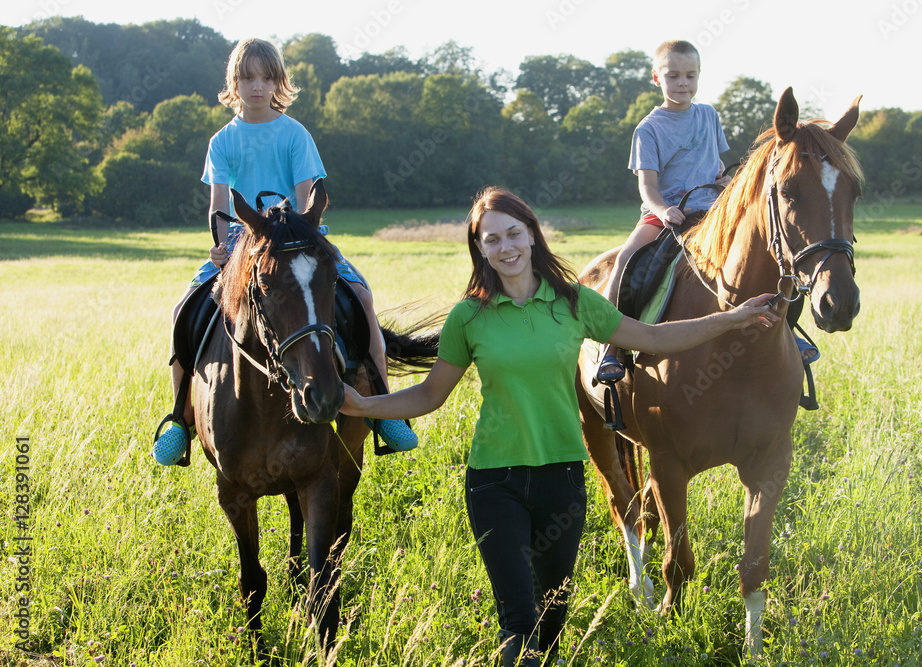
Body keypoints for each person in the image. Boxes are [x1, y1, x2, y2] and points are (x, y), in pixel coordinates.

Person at [338, 186, 777, 666]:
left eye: (513, 234)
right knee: (518, 623)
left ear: (531, 235)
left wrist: (731, 319)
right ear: (479, 249)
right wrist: (361, 406)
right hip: (494, 483)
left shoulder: (574, 304)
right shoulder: (470, 317)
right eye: (491, 240)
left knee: (550, 624)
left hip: (562, 483)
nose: (505, 248)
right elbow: (428, 394)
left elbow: (652, 337)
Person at [152, 38, 416, 466]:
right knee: (184, 308)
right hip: (243, 242)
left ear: (278, 82)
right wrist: (220, 247)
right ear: (233, 82)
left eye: (265, 77)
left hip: (297, 238)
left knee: (361, 296)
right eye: (247, 77)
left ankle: (383, 410)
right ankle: (181, 420)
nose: (256, 86)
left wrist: (288, 234)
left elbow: (304, 199)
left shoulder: (295, 134)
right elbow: (220, 204)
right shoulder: (222, 141)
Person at [596, 39, 818, 384]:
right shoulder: (648, 129)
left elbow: (713, 165)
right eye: (673, 76)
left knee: (770, 251)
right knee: (626, 259)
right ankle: (613, 345)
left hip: (715, 210)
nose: (682, 83)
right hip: (667, 214)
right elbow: (647, 187)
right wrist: (663, 209)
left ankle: (788, 329)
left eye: (690, 75)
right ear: (657, 78)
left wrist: (728, 182)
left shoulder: (708, 115)